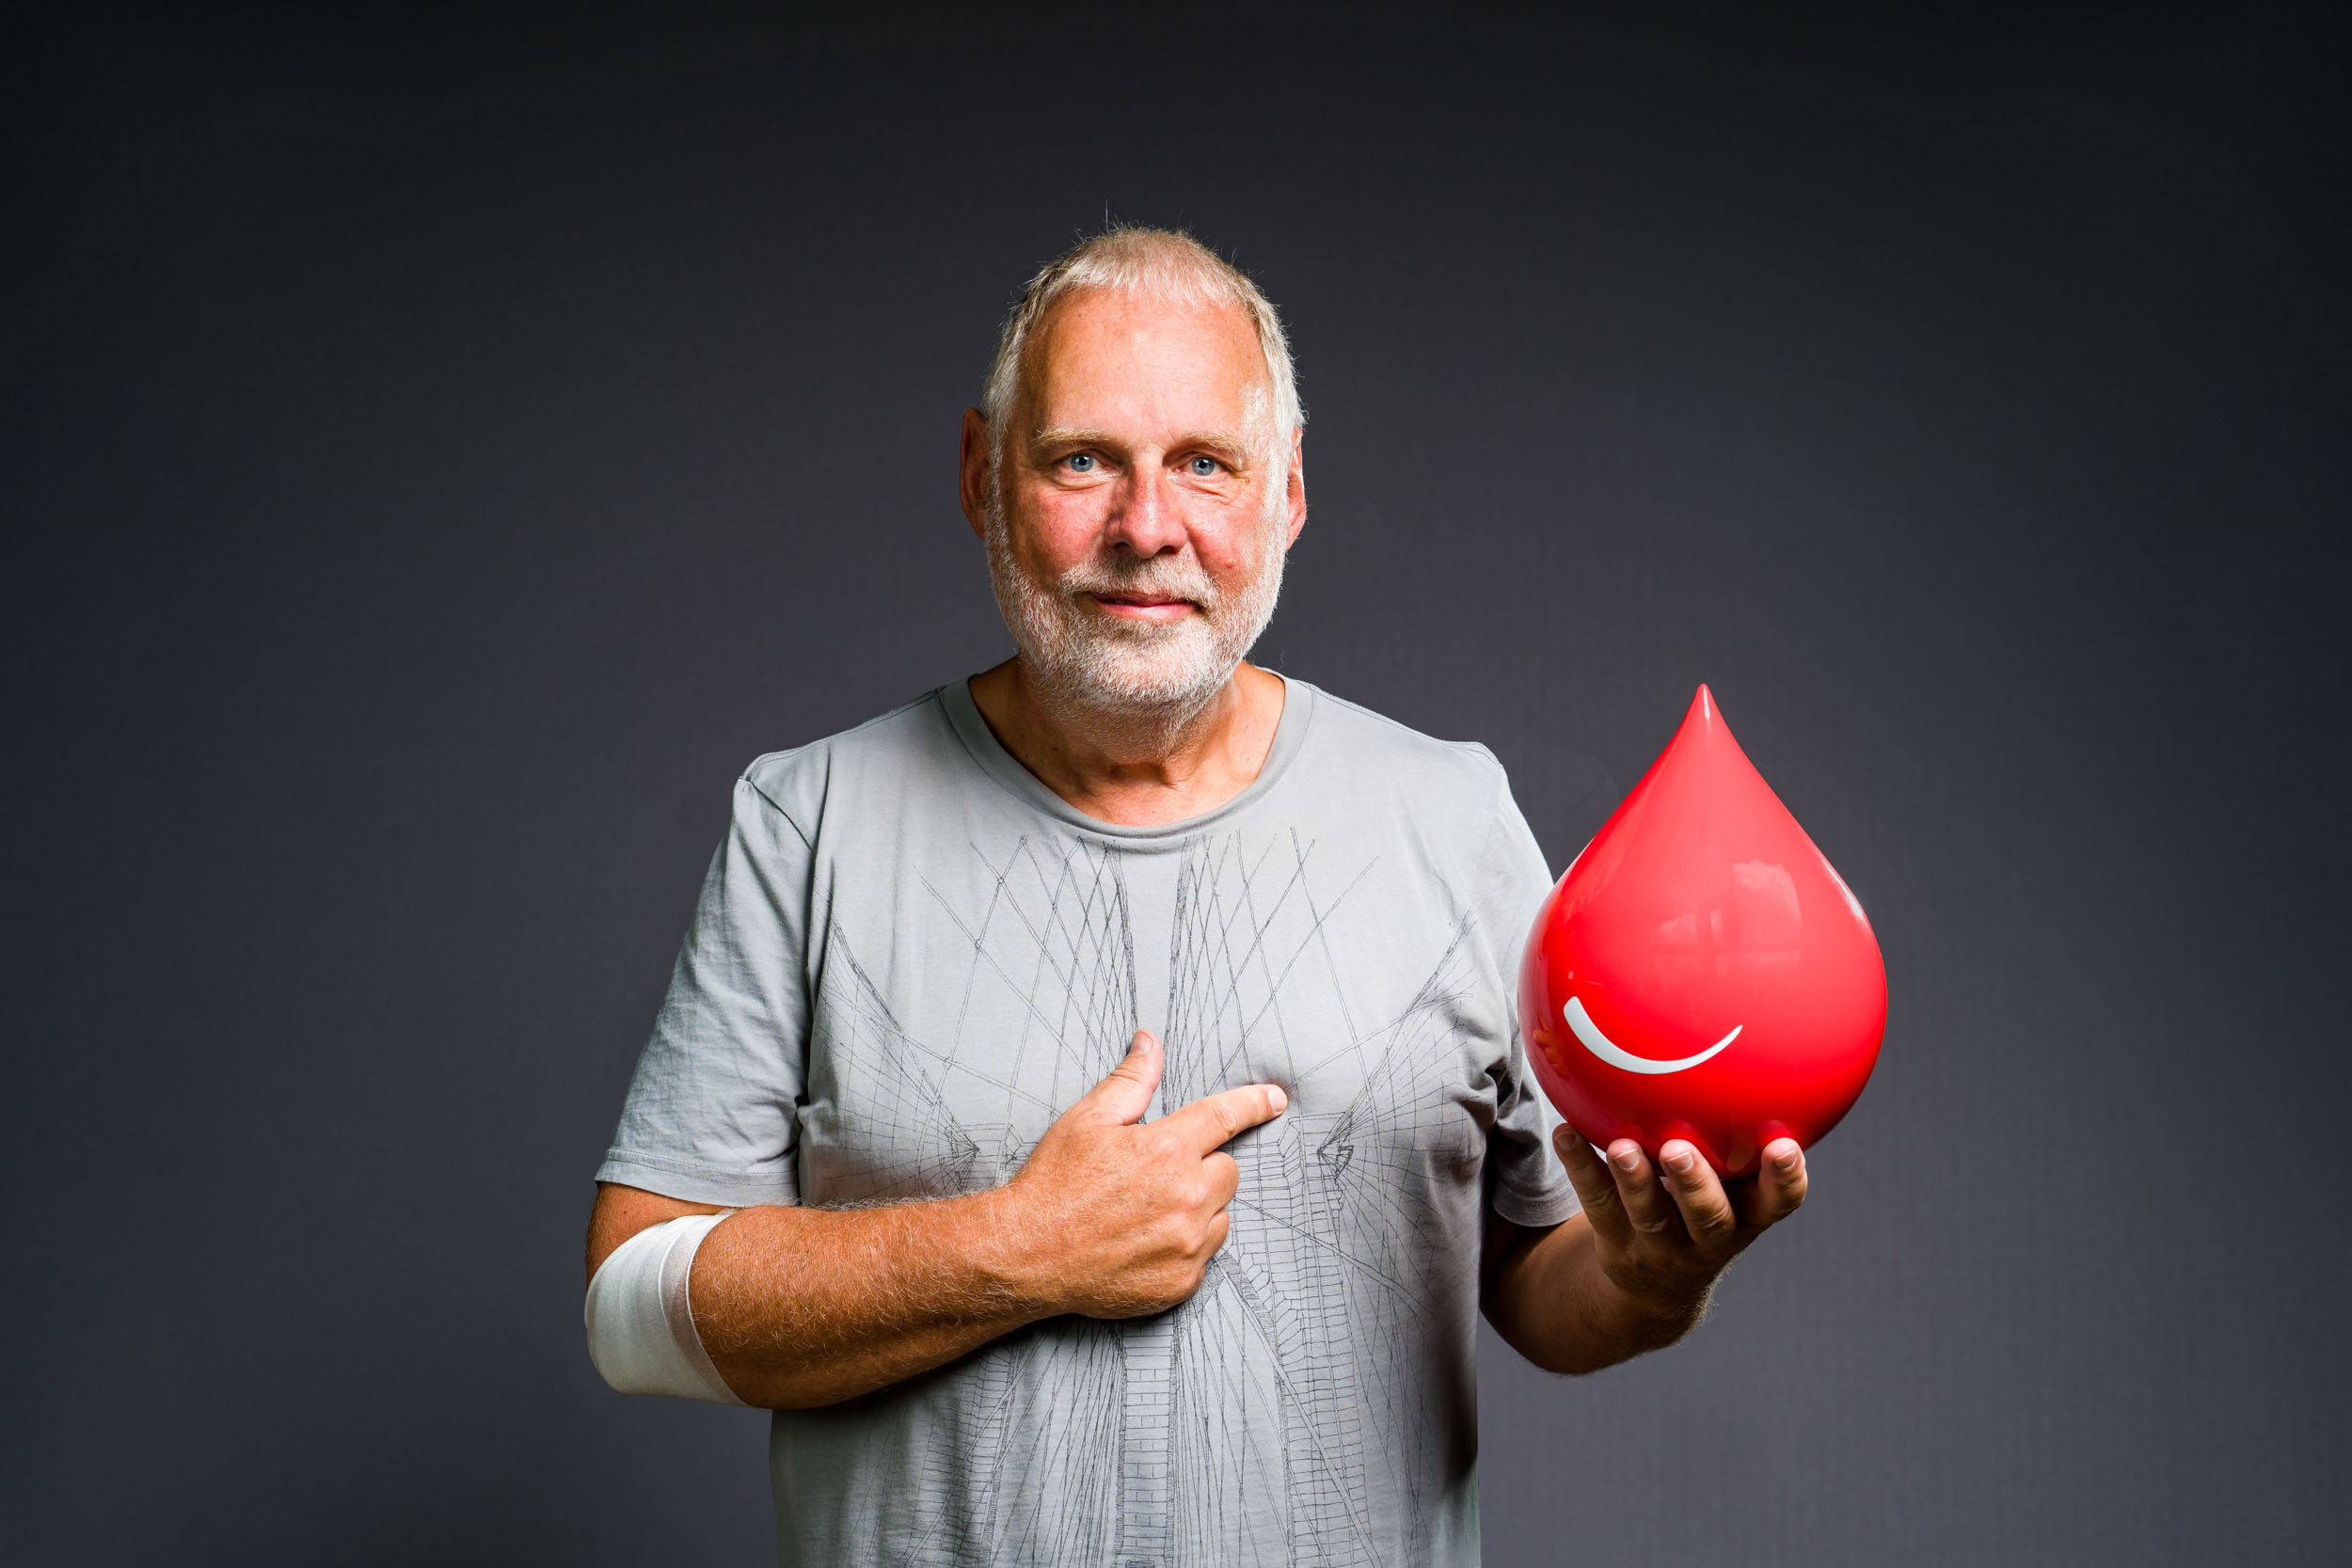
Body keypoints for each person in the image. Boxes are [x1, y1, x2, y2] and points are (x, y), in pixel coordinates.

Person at [582, 227, 1809, 1566]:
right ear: (981, 477)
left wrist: (1650, 1277)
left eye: (1205, 465)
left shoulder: (1452, 819)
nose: (1146, 526)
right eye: (1081, 460)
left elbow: (1542, 1282)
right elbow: (629, 1313)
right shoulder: (808, 820)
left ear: (1285, 493)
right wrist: (1012, 1250)